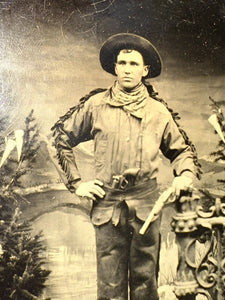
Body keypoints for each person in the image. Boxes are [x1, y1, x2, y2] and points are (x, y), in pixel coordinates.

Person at [51, 33, 200, 300]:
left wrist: (185, 175)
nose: (127, 69)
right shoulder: (95, 106)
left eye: (134, 64)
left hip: (146, 205)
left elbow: (182, 151)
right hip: (107, 205)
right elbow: (60, 138)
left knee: (145, 285)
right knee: (109, 287)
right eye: (122, 63)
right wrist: (77, 184)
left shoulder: (158, 112)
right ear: (114, 67)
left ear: (145, 71)